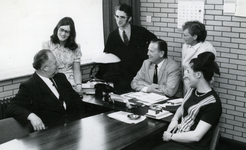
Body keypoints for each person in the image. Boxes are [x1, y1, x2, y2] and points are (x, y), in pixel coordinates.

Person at [152, 52, 221, 150]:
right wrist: (175, 120)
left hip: (191, 146)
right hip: (179, 138)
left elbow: (196, 136)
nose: (184, 76)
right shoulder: (192, 90)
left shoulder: (213, 103)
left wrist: (171, 136)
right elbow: (182, 106)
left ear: (198, 74)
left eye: (188, 71)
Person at [6, 49, 86, 131]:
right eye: (55, 63)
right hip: (51, 134)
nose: (58, 65)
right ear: (45, 68)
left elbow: (77, 101)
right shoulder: (29, 85)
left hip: (73, 127)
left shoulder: (61, 77)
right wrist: (31, 116)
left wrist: (81, 123)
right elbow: (12, 107)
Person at [96, 3, 157, 94]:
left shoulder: (140, 31)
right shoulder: (112, 36)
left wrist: (147, 56)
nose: (118, 20)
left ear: (129, 18)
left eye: (122, 17)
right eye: (117, 16)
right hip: (121, 79)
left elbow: (155, 41)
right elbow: (107, 57)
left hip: (139, 77)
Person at [42, 17, 82, 94]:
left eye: (67, 32)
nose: (63, 34)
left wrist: (79, 85)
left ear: (71, 34)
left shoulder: (76, 48)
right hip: (52, 80)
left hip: (69, 81)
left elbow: (76, 71)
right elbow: (46, 68)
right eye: (61, 30)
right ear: (57, 29)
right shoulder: (47, 45)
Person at [182, 21, 216, 95]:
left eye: (185, 35)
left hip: (200, 85)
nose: (183, 37)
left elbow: (207, 74)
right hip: (187, 83)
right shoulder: (185, 45)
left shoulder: (207, 49)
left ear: (195, 37)